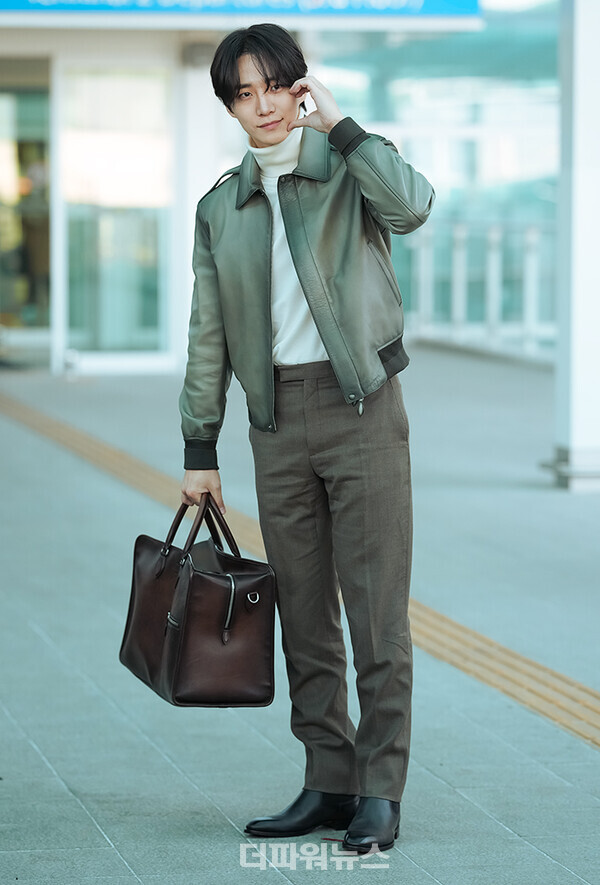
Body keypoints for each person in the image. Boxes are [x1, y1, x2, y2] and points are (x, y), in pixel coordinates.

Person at [179, 23, 434, 853]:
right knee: (304, 614)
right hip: (275, 423)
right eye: (241, 94)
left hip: (361, 407)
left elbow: (415, 205)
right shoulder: (222, 206)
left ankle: (380, 788)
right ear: (230, 106)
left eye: (272, 87)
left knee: (375, 614)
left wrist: (344, 129)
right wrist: (199, 448)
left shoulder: (352, 168)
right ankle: (327, 779)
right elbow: (209, 334)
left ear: (299, 85)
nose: (260, 108)